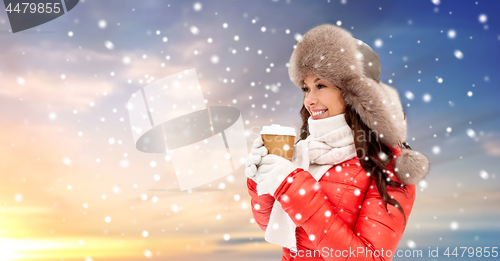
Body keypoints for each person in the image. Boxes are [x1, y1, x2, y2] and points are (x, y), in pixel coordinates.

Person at [245, 24, 430, 260]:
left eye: (320, 85)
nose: (309, 100)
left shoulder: (387, 165)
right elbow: (275, 229)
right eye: (305, 88)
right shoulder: (305, 150)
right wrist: (260, 182)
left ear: (355, 92)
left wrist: (292, 186)